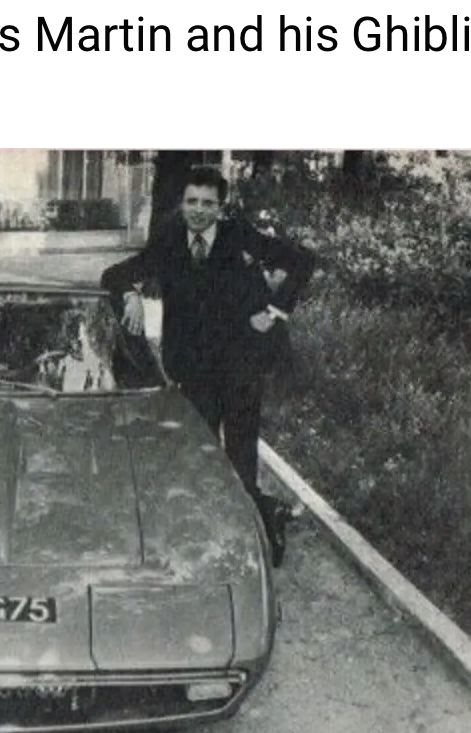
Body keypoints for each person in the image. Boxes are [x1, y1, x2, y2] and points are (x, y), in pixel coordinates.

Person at [100, 166, 315, 565]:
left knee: (240, 453)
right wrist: (129, 294)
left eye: (208, 203)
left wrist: (273, 311)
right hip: (194, 367)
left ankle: (250, 538)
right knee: (200, 453)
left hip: (241, 363)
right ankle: (215, 532)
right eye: (192, 202)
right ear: (182, 203)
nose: (198, 211)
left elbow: (301, 261)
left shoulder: (239, 236)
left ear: (221, 206)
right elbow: (114, 274)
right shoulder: (169, 241)